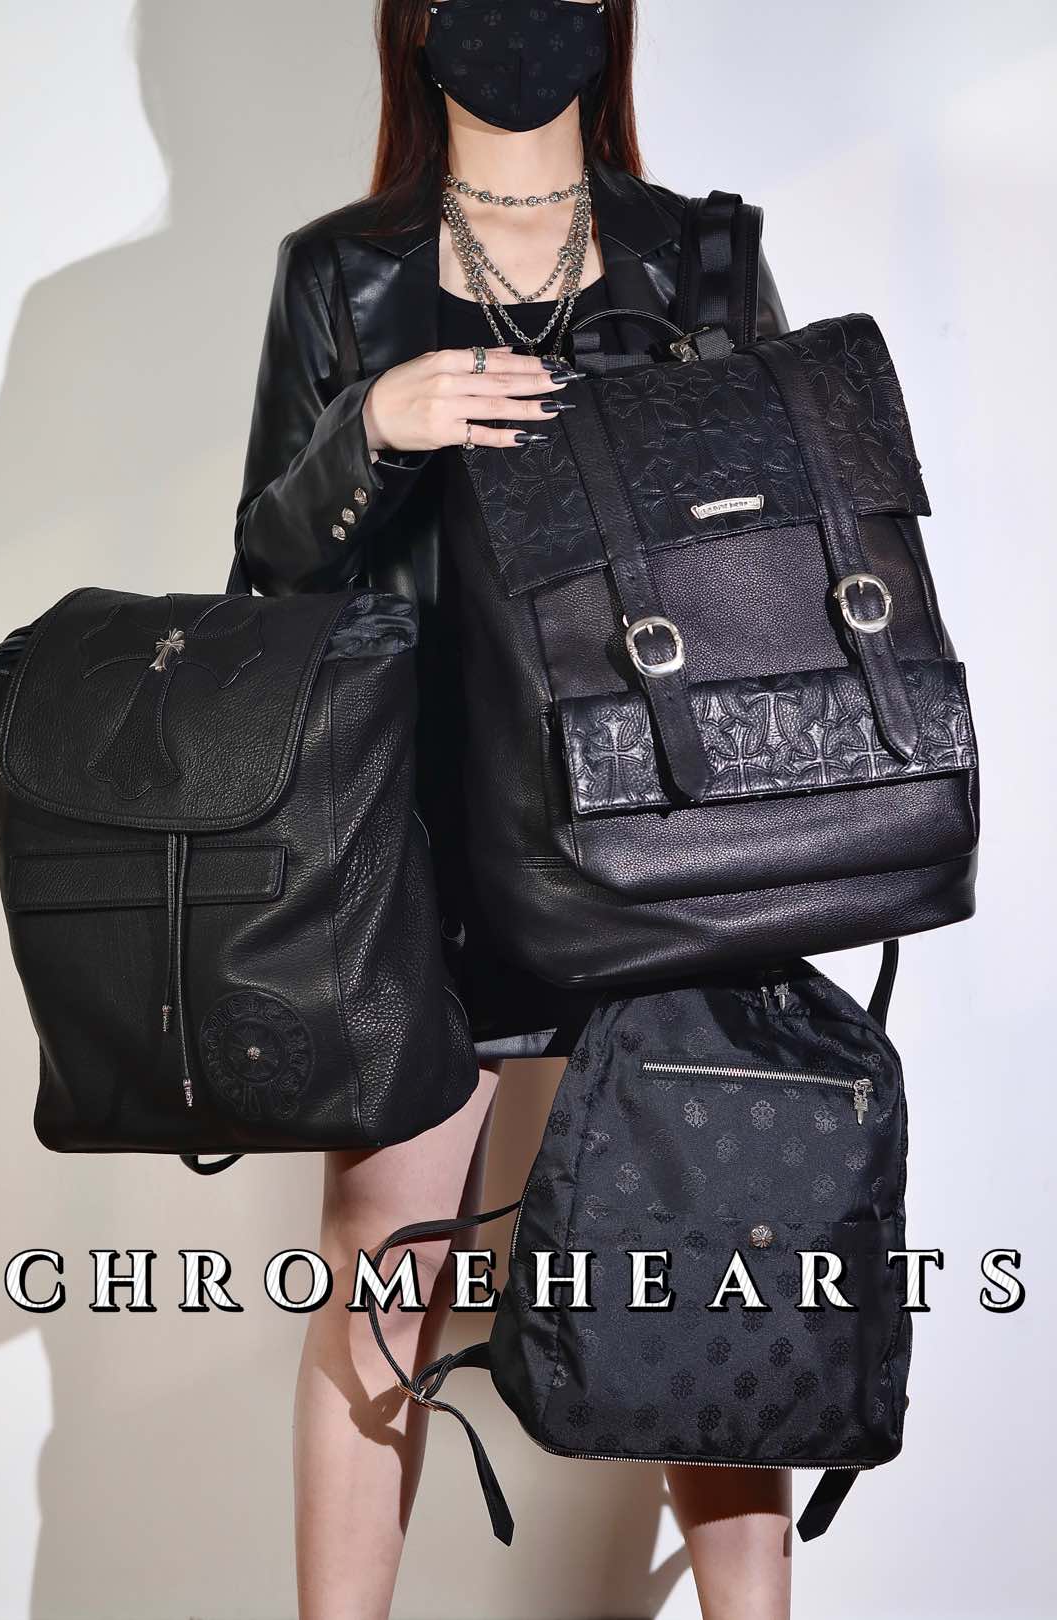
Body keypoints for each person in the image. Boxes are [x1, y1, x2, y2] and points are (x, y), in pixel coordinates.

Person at [235, 3, 792, 1615]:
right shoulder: (340, 270)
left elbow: (783, 551)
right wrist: (372, 429)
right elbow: (264, 582)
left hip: (672, 838)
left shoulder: (700, 253)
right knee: (379, 1286)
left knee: (715, 1276)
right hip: (420, 845)